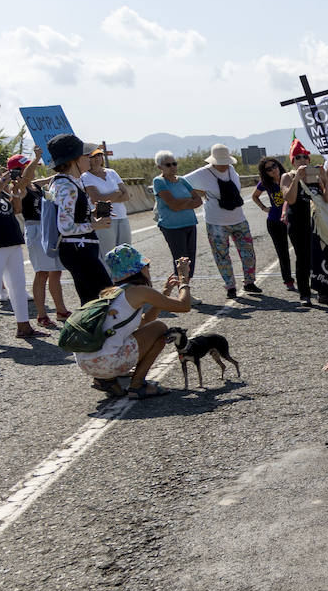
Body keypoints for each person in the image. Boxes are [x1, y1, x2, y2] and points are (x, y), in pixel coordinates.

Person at [74, 246, 192, 400]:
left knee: (151, 328)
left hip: (86, 363)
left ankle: (106, 380)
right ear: (140, 269)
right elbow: (184, 306)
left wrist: (164, 294)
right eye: (146, 267)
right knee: (160, 328)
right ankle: (137, 385)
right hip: (106, 362)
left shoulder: (111, 292)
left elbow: (143, 322)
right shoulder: (139, 291)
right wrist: (184, 278)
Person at [0, 148, 45, 346]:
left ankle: (23, 326)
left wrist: (15, 193)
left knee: (17, 286)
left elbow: (16, 210)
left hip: (11, 242)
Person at [183, 144, 259, 299]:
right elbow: (181, 183)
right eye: (221, 162)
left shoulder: (232, 170)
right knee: (222, 255)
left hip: (238, 219)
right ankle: (230, 286)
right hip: (216, 222)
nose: (225, 165)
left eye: (226, 161)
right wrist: (199, 193)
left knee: (248, 252)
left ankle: (249, 282)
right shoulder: (203, 173)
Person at [48, 134, 112, 304]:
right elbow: (65, 227)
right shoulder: (66, 186)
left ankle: (92, 330)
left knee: (92, 299)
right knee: (104, 296)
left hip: (80, 248)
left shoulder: (70, 183)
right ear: (73, 159)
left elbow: (72, 216)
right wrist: (94, 225)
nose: (89, 158)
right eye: (85, 155)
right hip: (77, 249)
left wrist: (92, 213)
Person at [12, 150, 68, 328]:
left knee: (56, 271)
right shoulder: (19, 186)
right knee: (42, 272)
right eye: (29, 166)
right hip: (35, 229)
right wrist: (36, 158)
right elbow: (26, 180)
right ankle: (42, 315)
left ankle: (61, 310)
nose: (35, 168)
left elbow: (54, 178)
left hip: (47, 228)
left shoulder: (35, 186)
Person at [281, 140, 328, 307]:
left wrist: (324, 178)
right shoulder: (287, 177)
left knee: (321, 257)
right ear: (292, 161)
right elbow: (290, 198)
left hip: (318, 224)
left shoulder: (315, 178)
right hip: (298, 223)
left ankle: (324, 290)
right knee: (302, 258)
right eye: (298, 157)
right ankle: (305, 293)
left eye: (305, 157)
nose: (302, 160)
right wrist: (297, 178)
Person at [152, 150, 204, 280]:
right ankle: (182, 289)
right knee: (181, 259)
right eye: (168, 165)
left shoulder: (182, 180)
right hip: (172, 226)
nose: (172, 167)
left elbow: (198, 200)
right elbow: (173, 205)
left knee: (190, 258)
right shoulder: (159, 181)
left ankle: (186, 288)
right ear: (160, 167)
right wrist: (188, 202)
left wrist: (182, 203)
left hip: (190, 222)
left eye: (174, 163)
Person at [81, 147, 131, 272]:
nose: (97, 158)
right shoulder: (85, 176)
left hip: (121, 216)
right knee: (109, 255)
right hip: (104, 217)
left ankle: (126, 283)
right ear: (88, 159)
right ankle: (110, 286)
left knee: (126, 252)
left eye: (99, 155)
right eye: (93, 156)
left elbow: (126, 195)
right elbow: (96, 199)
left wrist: (108, 198)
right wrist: (116, 193)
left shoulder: (112, 172)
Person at [251, 158, 295, 291]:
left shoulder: (288, 178)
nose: (272, 170)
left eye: (274, 166)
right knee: (283, 252)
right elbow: (254, 196)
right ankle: (288, 281)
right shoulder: (265, 183)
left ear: (278, 165)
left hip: (292, 219)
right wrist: (264, 208)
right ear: (265, 173)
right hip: (275, 221)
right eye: (268, 169)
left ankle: (308, 276)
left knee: (301, 249)